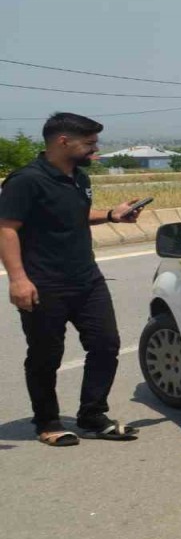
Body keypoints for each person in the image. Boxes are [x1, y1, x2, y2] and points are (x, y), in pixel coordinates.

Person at [0, 113, 146, 446]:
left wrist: (111, 214)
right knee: (45, 355)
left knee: (106, 345)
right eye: (90, 143)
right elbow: (6, 228)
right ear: (63, 141)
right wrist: (18, 280)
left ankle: (92, 415)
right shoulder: (26, 180)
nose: (96, 149)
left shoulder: (79, 177)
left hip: (87, 279)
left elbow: (74, 216)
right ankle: (48, 421)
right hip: (44, 282)